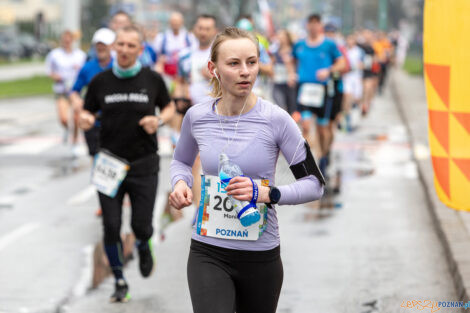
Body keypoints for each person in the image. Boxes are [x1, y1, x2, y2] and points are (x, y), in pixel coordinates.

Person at [169, 27, 324, 313]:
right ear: (212, 68)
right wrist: (180, 184)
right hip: (208, 251)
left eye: (251, 62)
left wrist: (268, 193)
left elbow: (314, 183)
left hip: (260, 255)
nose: (245, 72)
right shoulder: (197, 117)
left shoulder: (277, 120)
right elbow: (180, 161)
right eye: (234, 63)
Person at [79, 25, 175, 302]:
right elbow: (87, 112)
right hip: (108, 162)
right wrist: (85, 119)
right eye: (120, 44)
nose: (123, 50)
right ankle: (119, 280)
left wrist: (158, 120)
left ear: (140, 50)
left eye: (130, 46)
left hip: (144, 161)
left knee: (141, 226)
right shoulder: (100, 81)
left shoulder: (152, 79)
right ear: (113, 47)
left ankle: (144, 244)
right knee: (110, 224)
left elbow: (168, 107)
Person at [287, 14, 346, 177]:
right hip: (305, 90)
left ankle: (324, 156)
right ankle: (308, 162)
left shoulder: (329, 44)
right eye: (310, 24)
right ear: (307, 25)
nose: (313, 27)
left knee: (322, 129)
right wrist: (292, 74)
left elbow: (342, 63)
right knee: (305, 125)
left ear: (320, 25)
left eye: (316, 24)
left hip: (323, 91)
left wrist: (328, 70)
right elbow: (290, 60)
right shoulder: (299, 45)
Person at [45, 30, 86, 149]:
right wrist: (55, 76)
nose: (67, 42)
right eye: (64, 39)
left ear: (72, 40)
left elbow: (85, 71)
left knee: (77, 118)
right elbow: (49, 70)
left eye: (69, 39)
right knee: (63, 118)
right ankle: (68, 129)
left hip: (76, 90)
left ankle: (74, 141)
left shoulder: (80, 55)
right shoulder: (54, 54)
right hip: (61, 89)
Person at [269, 29, 296, 114]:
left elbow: (298, 65)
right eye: (279, 36)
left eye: (282, 36)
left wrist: (291, 73)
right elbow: (270, 65)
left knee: (292, 109)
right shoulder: (275, 51)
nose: (280, 38)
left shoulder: (293, 51)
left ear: (287, 38)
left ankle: (290, 125)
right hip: (278, 83)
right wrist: (272, 74)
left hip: (290, 84)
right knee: (280, 108)